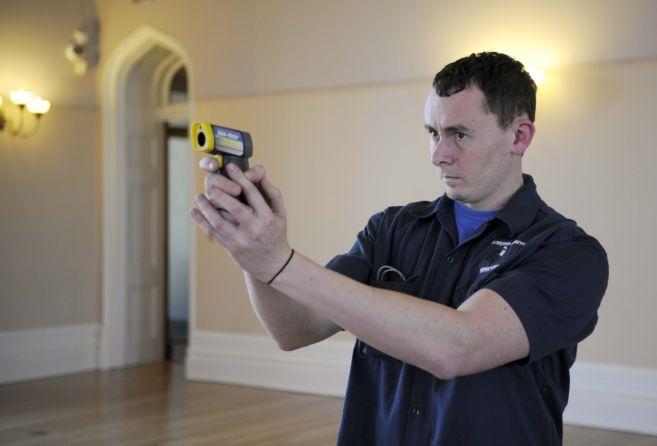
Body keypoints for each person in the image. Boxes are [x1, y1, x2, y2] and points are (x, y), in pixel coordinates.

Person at [190, 52, 609, 446]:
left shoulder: (568, 254)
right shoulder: (392, 228)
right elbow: (294, 330)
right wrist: (252, 253)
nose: (438, 155)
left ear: (519, 136)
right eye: (432, 133)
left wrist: (280, 262)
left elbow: (458, 347)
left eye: (459, 135)